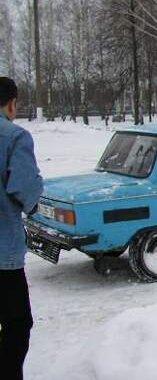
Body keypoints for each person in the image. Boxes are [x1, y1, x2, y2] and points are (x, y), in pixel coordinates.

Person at [0, 77, 43, 380]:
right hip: (3, 255)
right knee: (17, 325)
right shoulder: (14, 137)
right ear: (12, 104)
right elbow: (24, 188)